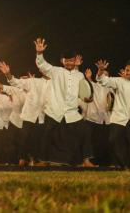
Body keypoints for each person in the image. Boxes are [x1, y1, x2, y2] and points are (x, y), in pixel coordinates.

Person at [34, 38, 95, 167]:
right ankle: (43, 161)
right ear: (63, 61)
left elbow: (84, 92)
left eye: (71, 60)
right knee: (47, 134)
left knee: (85, 131)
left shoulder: (80, 75)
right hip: (54, 110)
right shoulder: (56, 71)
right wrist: (39, 53)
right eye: (66, 60)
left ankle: (86, 160)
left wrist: (86, 98)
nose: (68, 62)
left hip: (71, 112)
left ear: (74, 61)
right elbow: (42, 65)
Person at [96, 59, 130, 170]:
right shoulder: (118, 81)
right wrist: (101, 70)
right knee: (114, 140)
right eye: (127, 70)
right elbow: (101, 80)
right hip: (119, 117)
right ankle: (124, 166)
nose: (129, 72)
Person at [0, 61, 50, 166]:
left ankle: (36, 160)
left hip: (42, 116)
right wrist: (8, 73)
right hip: (28, 115)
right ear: (41, 71)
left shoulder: (54, 84)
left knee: (38, 138)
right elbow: (15, 82)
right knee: (24, 138)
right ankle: (22, 159)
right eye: (44, 69)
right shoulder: (33, 81)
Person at [81, 68, 112, 166]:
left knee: (103, 142)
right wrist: (88, 78)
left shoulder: (111, 88)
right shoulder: (94, 85)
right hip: (92, 118)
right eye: (102, 74)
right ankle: (87, 162)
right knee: (89, 141)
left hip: (106, 120)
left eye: (106, 75)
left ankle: (103, 162)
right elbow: (86, 86)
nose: (104, 76)